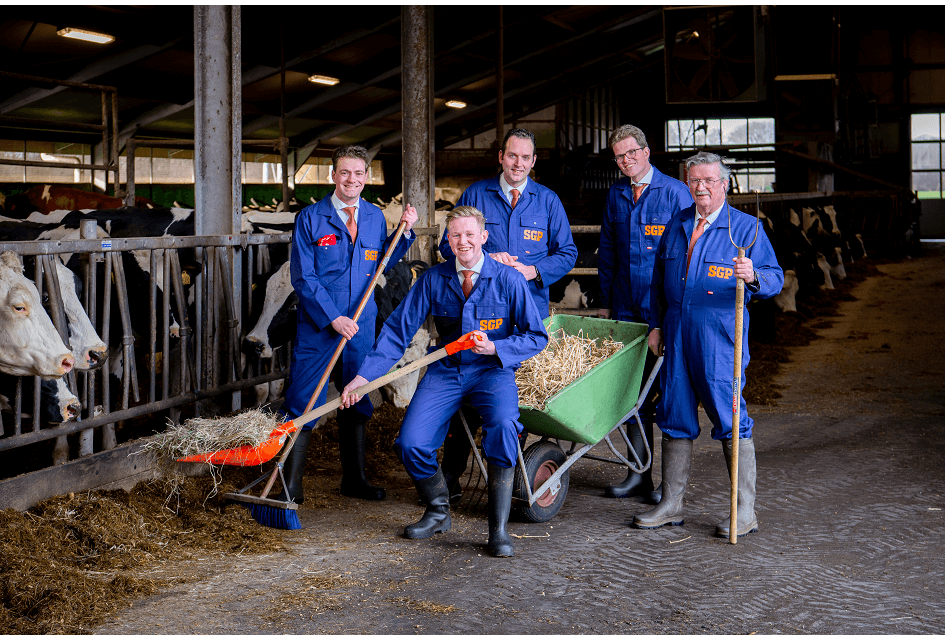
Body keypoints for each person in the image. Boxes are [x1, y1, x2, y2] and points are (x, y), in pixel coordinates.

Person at [340, 206, 548, 557]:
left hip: (492, 371)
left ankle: (497, 530)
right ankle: (438, 510)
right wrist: (362, 378)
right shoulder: (434, 279)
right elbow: (396, 332)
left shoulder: (509, 279)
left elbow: (535, 337)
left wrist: (496, 347)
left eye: (470, 234)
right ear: (447, 241)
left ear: (483, 237)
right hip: (446, 369)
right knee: (410, 443)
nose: (463, 242)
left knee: (502, 426)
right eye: (455, 236)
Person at [633, 151, 783, 538]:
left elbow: (775, 278)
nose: (700, 187)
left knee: (731, 419)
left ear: (724, 185)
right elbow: (657, 282)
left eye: (708, 181)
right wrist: (655, 325)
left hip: (719, 340)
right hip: (677, 334)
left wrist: (754, 277)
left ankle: (744, 511)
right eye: (694, 181)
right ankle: (671, 504)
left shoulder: (746, 229)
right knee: (674, 415)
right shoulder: (679, 223)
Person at [437, 128, 577, 501]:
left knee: (514, 397)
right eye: (512, 156)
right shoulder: (475, 194)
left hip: (528, 315)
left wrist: (534, 271)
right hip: (478, 313)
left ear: (533, 161)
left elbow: (567, 252)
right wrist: (484, 259)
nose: (518, 164)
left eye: (525, 158)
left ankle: (508, 477)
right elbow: (444, 245)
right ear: (501, 157)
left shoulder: (547, 201)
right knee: (466, 394)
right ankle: (451, 475)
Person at [278, 144, 418, 504]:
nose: (351, 179)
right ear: (333, 176)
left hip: (360, 326)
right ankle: (291, 486)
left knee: (356, 399)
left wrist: (405, 232)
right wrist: (333, 318)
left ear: (366, 177)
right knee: (303, 401)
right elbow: (304, 278)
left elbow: (382, 261)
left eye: (358, 173)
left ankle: (354, 479)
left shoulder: (373, 217)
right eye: (344, 173)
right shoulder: (310, 218)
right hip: (320, 327)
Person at [597, 124, 693, 503]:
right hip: (624, 306)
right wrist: (604, 301)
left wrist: (673, 312)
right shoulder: (617, 193)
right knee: (632, 393)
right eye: (619, 156)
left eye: (631, 153)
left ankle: (668, 487)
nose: (626, 161)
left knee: (669, 392)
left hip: (663, 311)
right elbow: (607, 251)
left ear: (646, 151)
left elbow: (686, 254)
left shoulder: (675, 192)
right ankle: (638, 473)